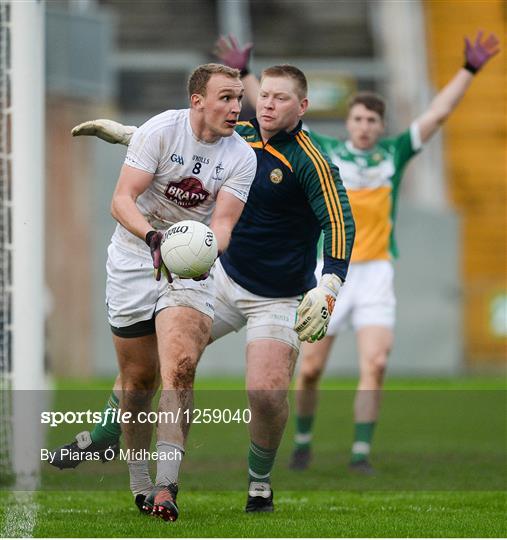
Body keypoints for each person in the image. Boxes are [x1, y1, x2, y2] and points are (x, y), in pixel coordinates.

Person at [52, 64, 355, 514]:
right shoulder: (241, 133)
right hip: (222, 274)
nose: (264, 105)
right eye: (263, 95)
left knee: (264, 392)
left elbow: (339, 221)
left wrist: (329, 282)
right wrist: (133, 138)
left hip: (272, 291)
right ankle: (104, 437)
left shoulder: (308, 161)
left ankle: (256, 483)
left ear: (303, 107)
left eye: (280, 98)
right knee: (152, 368)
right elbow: (186, 144)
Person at [214, 32, 500, 473]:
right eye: (358, 119)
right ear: (348, 124)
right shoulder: (324, 152)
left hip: (376, 273)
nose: (364, 127)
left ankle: (360, 454)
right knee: (309, 370)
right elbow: (274, 107)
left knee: (377, 361)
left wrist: (469, 70)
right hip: (326, 269)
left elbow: (438, 114)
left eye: (372, 120)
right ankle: (304, 444)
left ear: (381, 127)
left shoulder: (394, 153)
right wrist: (247, 73)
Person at [94, 62, 258, 522]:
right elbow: (121, 199)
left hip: (191, 266)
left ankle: (167, 486)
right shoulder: (160, 131)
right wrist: (154, 240)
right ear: (197, 100)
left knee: (181, 367)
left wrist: (200, 251)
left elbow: (223, 224)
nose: (235, 106)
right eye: (225, 97)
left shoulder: (242, 157)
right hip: (134, 256)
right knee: (138, 383)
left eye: (238, 97)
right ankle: (141, 483)